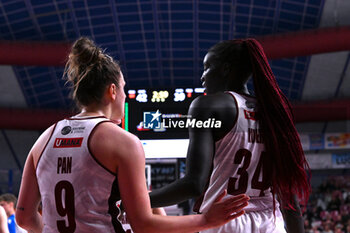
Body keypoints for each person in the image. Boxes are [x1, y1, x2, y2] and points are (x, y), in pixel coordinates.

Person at [15, 37, 249, 233]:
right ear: (112, 90)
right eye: (124, 88)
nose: (126, 96)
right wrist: (206, 220)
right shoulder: (123, 142)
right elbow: (143, 224)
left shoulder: (43, 139)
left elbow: (24, 218)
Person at [149, 38, 311, 233]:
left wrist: (134, 201)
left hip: (224, 222)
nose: (202, 77)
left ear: (226, 69)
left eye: (207, 67)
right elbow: (290, 202)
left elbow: (193, 184)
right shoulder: (275, 113)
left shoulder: (207, 105)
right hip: (271, 225)